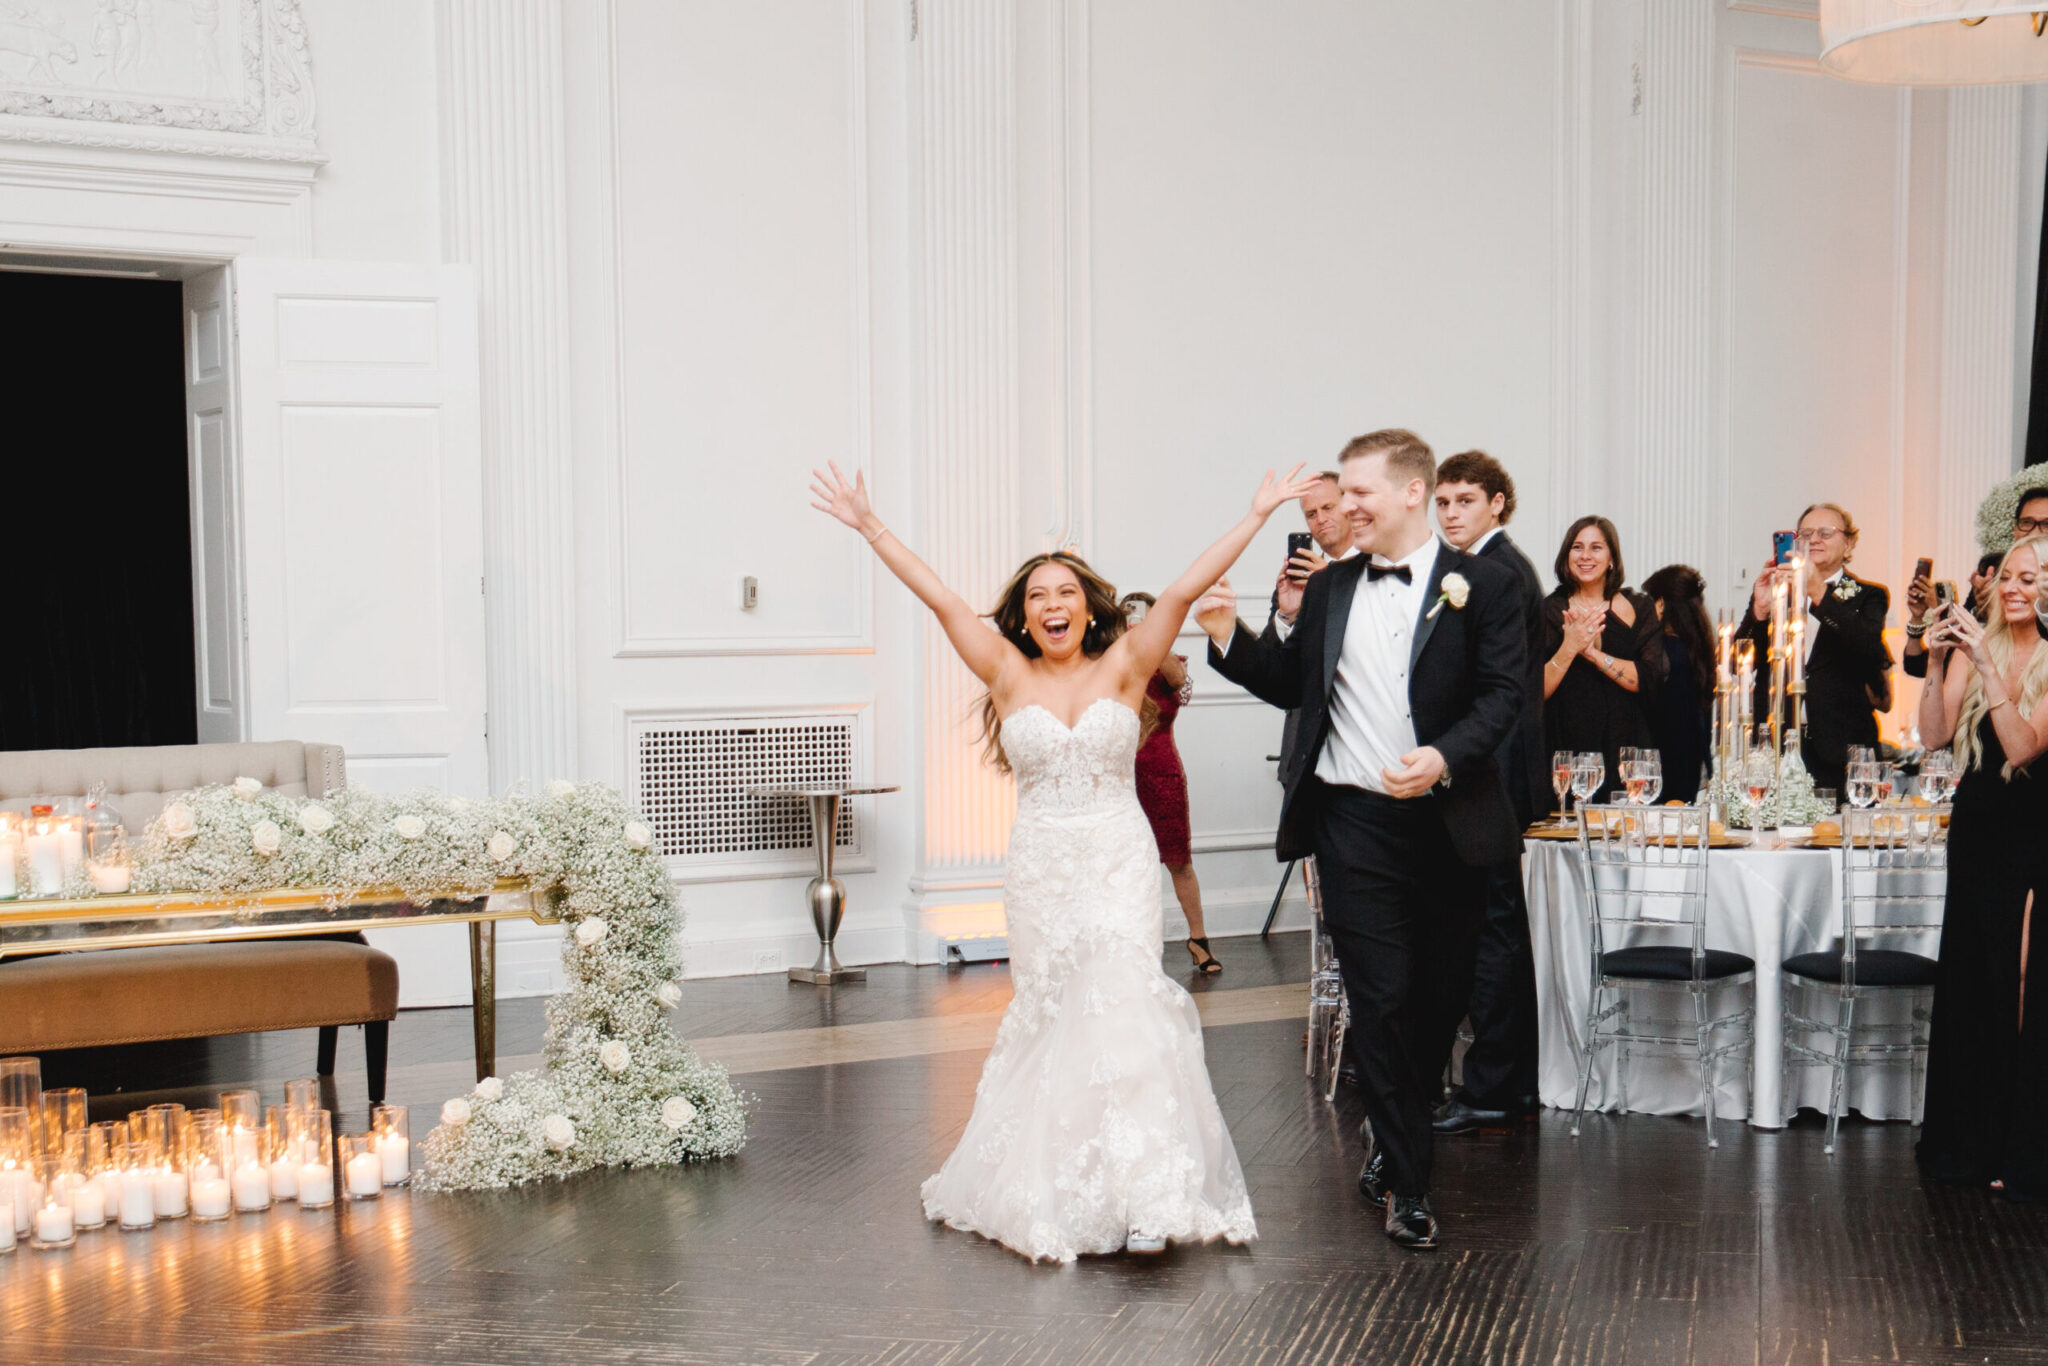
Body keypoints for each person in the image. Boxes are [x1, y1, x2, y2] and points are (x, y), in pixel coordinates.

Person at [810, 459, 1312, 1262]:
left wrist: (1255, 516)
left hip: (1116, 854)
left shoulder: (1126, 666)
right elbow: (938, 596)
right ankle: (1061, 1184)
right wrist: (870, 526)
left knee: (1127, 1006)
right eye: (1038, 595)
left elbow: (1182, 592)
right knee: (1053, 1011)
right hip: (1042, 862)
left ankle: (1149, 1196)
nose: (1052, 605)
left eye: (1066, 593)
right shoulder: (1006, 673)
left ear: (1088, 608)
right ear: (1023, 614)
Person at [1199, 428, 1525, 1250]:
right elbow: (1290, 683)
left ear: (1412, 491)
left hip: (1447, 823)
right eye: (1341, 494)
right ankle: (1409, 1187)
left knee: (1439, 1001)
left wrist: (1445, 757)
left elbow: (1502, 695)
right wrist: (1230, 636)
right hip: (1353, 823)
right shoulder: (1335, 586)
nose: (1344, 508)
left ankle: (1393, 1135)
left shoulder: (1484, 586)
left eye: (1358, 494)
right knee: (1379, 1000)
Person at [1915, 535, 2048, 1203]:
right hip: (1977, 831)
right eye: (2009, 577)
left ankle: (2018, 1143)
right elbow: (1934, 737)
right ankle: (1967, 1140)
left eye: (2031, 578)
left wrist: (1989, 671)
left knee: (2020, 980)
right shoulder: (1979, 647)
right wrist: (1939, 665)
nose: (2015, 588)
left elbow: (2024, 747)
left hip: (2035, 833)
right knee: (1971, 977)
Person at [1429, 450, 1546, 1135]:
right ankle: (1503, 1082)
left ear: (1497, 504)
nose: (1451, 513)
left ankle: (1497, 1087)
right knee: (1490, 930)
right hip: (1488, 770)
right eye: (1443, 502)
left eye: (1465, 500)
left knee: (1494, 933)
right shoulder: (1485, 568)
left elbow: (1496, 691)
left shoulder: (1497, 570)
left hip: (1491, 773)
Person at [1738, 502, 1890, 797]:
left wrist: (1818, 590)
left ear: (1849, 543)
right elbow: (1737, 662)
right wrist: (1759, 610)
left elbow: (1869, 649)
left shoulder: (1868, 595)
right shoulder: (1780, 591)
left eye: (1826, 532)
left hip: (1842, 748)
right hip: (1777, 748)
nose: (1815, 539)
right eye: (1806, 534)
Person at [1119, 591, 1220, 974]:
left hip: (1161, 773)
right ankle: (1130, 943)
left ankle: (1199, 939)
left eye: (1148, 616)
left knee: (1179, 860)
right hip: (1117, 774)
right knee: (1124, 863)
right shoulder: (1112, 664)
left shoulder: (1169, 663)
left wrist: (1153, 639)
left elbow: (1181, 686)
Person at [1540, 516, 1666, 801]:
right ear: (1566, 556)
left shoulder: (1638, 607)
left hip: (1626, 743)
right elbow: (1537, 690)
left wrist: (1593, 654)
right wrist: (1570, 646)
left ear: (1611, 558)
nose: (1585, 556)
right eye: (1577, 547)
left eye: (1596, 547)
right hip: (1569, 745)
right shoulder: (1550, 609)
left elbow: (1648, 679)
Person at [1266, 472, 1355, 767]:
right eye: (1311, 514)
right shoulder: (1296, 581)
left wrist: (1330, 584)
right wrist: (1287, 615)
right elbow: (1273, 665)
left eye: (1328, 508)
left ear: (1350, 506)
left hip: (1361, 748)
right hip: (1303, 749)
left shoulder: (1378, 569)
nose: (1320, 519)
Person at [1641, 564, 1714, 803]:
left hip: (1662, 767)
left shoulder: (1664, 652)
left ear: (1661, 605)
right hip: (1692, 763)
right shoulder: (1697, 651)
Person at [1910, 537, 2033, 677]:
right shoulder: (1973, 609)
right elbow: (1915, 666)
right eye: (1981, 576)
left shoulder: (2028, 632)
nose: (2009, 588)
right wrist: (1917, 617)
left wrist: (1993, 608)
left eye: (2026, 580)